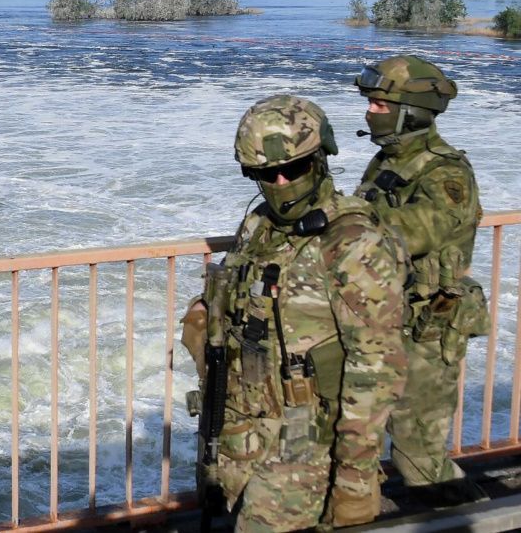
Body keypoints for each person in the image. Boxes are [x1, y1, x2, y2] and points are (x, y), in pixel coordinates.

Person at [182, 94, 407, 531]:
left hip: (306, 444)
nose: (282, 181)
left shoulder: (352, 241)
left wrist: (355, 480)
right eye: (267, 173)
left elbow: (376, 370)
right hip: (243, 429)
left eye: (295, 168)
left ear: (321, 157)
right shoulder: (260, 225)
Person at [353, 55, 490, 505]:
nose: (370, 112)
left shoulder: (445, 171)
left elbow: (418, 229)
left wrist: (343, 223)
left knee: (419, 456)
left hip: (427, 328)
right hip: (381, 320)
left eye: (378, 105)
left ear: (410, 111)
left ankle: (475, 516)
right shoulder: (386, 160)